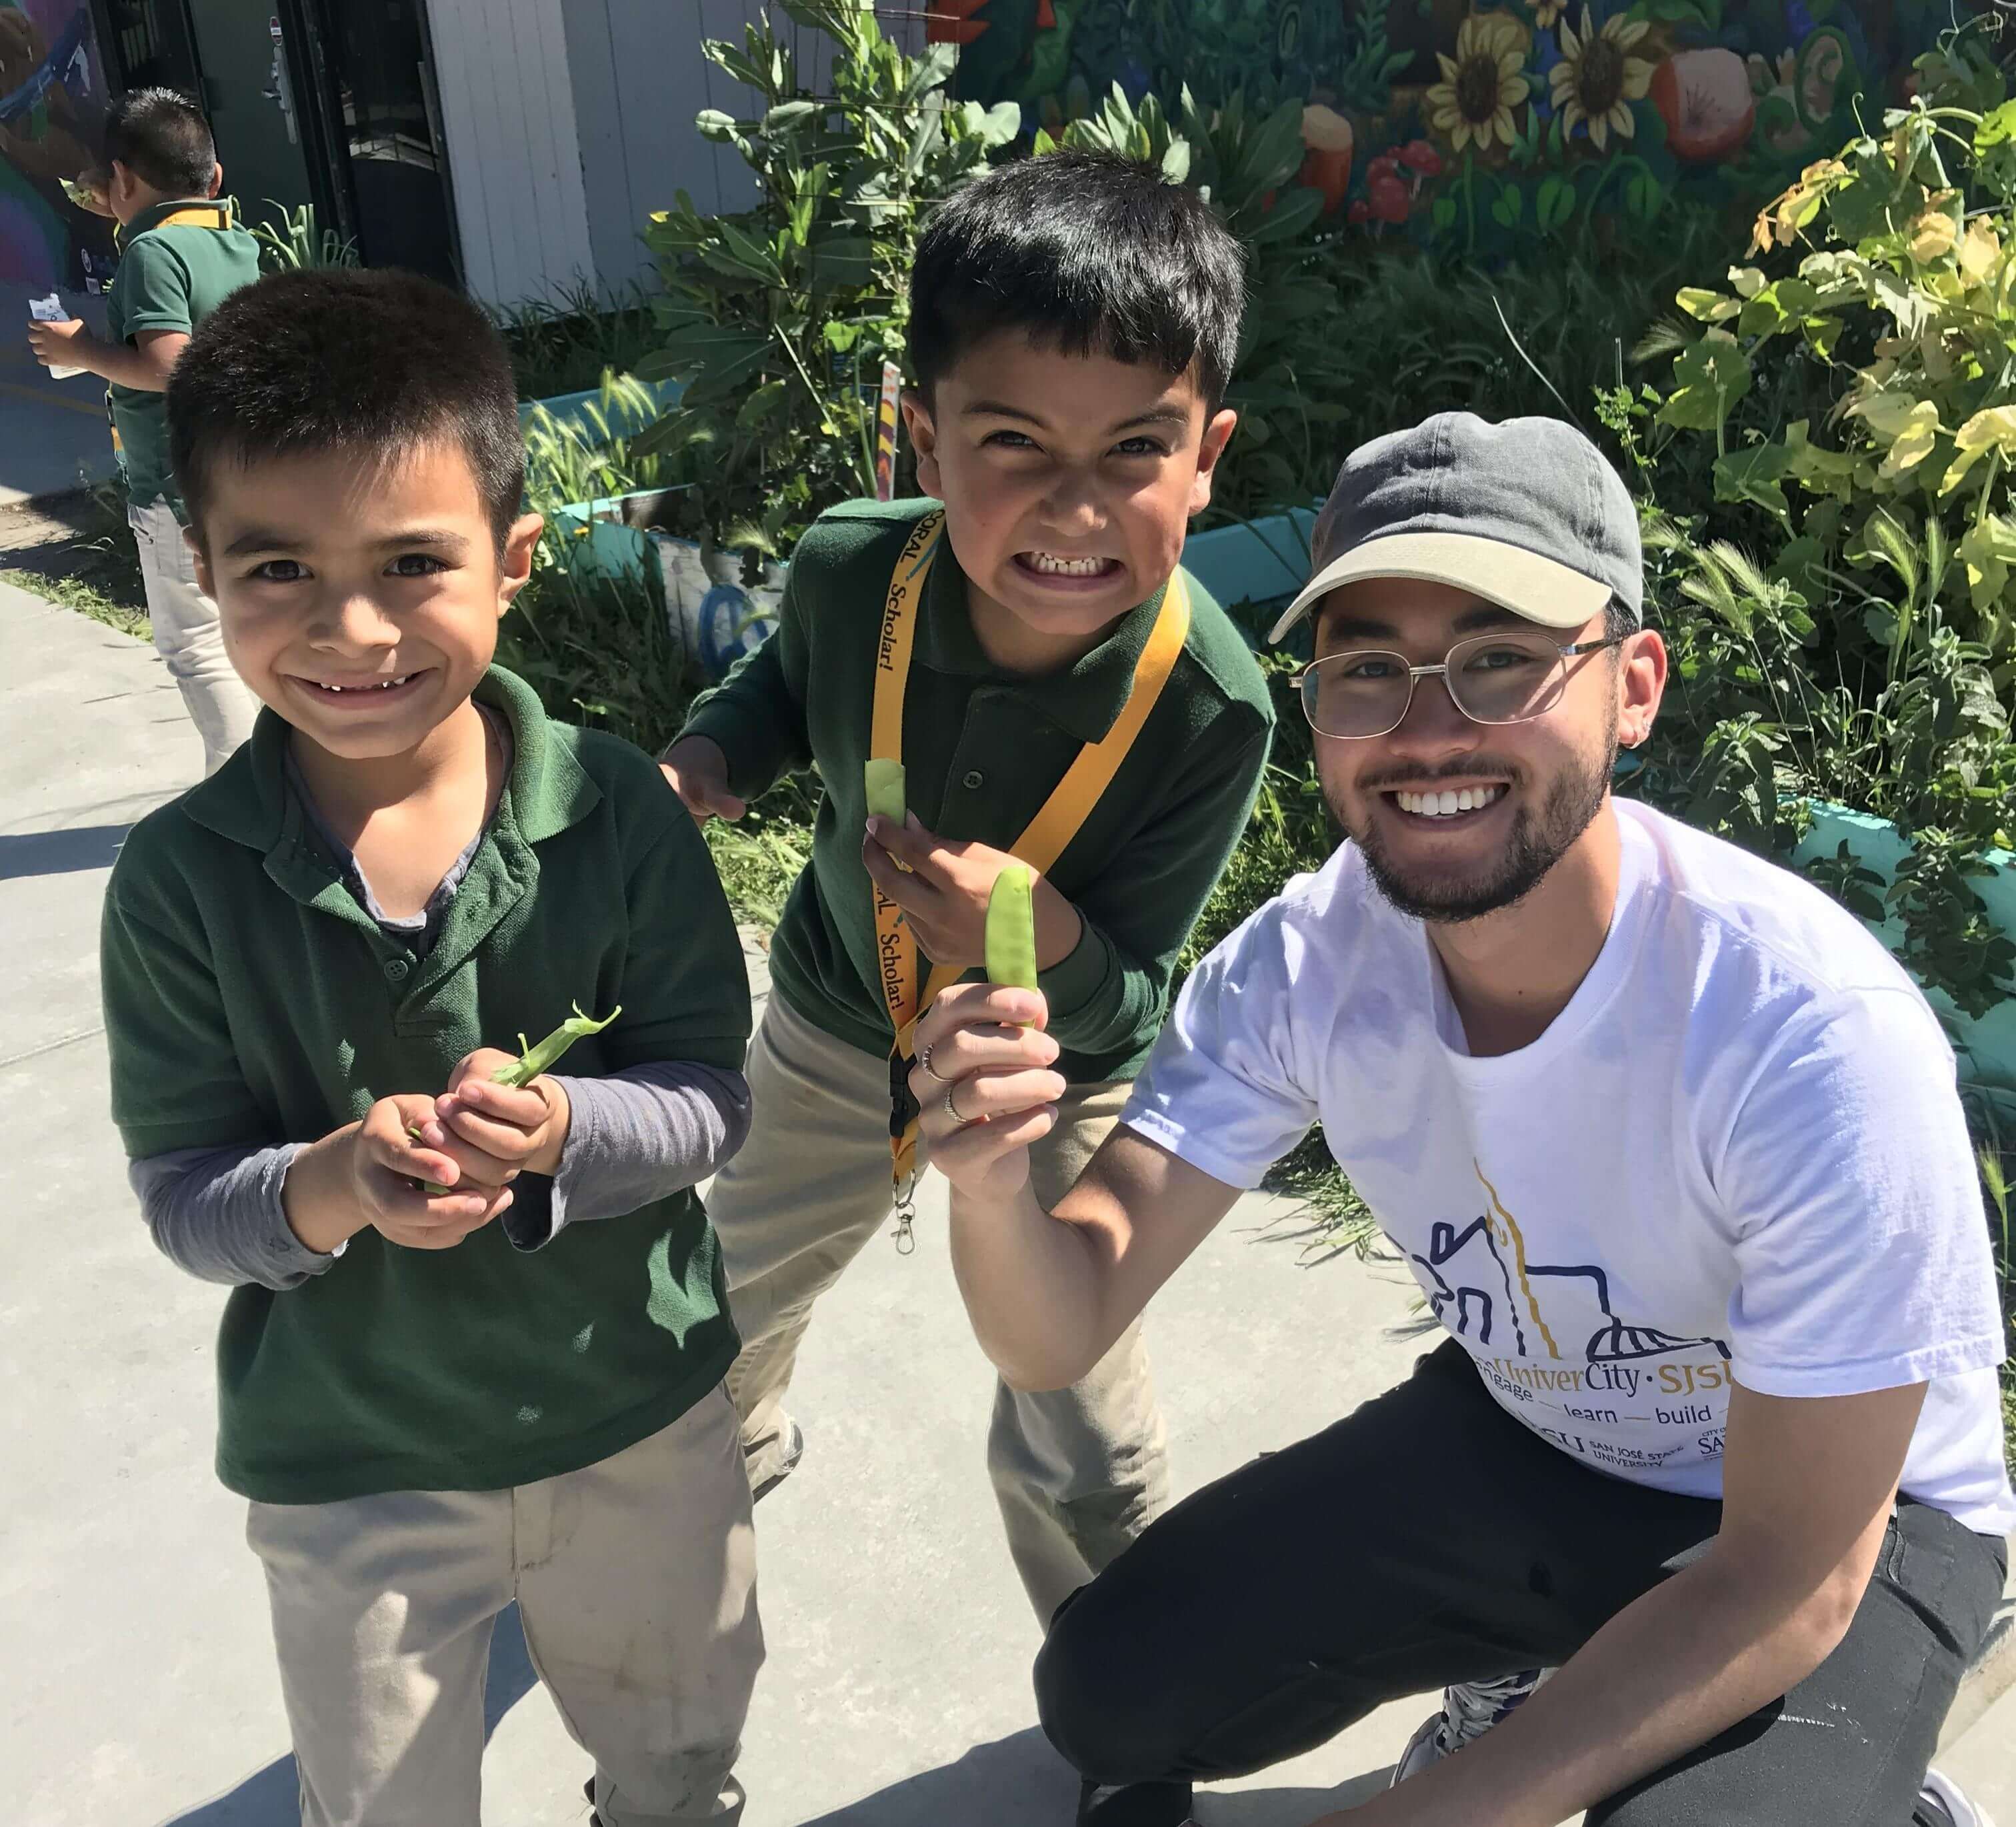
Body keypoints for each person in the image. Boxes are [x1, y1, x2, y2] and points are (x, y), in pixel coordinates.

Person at [912, 412, 2016, 1827]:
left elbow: (1791, 1572)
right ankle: (1571, 1673)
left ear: (1633, 684)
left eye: (1498, 658)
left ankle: (1852, 1773)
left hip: (1850, 1517)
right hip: (1546, 1434)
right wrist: (995, 1181)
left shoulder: (1806, 1030)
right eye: (1367, 667)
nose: (1427, 729)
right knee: (1111, 1689)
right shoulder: (1308, 959)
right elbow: (1058, 1323)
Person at [99, 267, 763, 1827]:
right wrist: (333, 1182)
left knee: (676, 1766)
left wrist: (566, 1140)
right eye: (278, 567)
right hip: (351, 1460)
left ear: (513, 558)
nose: (351, 628)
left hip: (638, 1416)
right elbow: (191, 1199)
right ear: (201, 569)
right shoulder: (182, 885)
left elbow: (705, 1096)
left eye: (412, 562)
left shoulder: (617, 813)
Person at [659, 149, 1275, 1624]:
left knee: (1072, 1394)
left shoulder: (1212, 707)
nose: (1077, 508)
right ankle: (733, 1438)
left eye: (1137, 449)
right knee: (725, 1288)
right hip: (827, 1016)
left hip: (1046, 1080)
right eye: (1015, 443)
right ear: (921, 437)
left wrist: (1045, 933)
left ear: (1209, 459)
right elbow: (776, 677)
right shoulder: (843, 575)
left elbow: (1134, 989)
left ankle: (1125, 1673)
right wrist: (707, 754)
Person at [27, 85, 260, 776]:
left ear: (122, 179)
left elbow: (165, 366)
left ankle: (239, 793)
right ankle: (278, 780)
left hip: (173, 484)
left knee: (196, 645)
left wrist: (78, 352)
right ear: (213, 179)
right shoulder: (232, 243)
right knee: (245, 635)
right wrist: (124, 210)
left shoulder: (151, 254)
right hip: (241, 477)